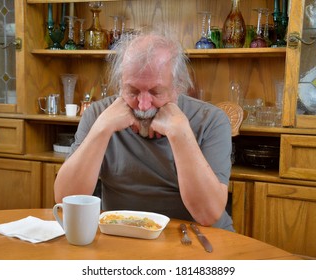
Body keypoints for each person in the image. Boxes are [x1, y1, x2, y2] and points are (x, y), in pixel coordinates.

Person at [54, 29, 234, 231]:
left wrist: (180, 133)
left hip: (196, 238)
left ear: (177, 87)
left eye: (156, 92)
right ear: (119, 85)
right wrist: (102, 129)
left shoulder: (211, 120)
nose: (143, 104)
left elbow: (208, 214)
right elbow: (64, 200)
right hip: (124, 237)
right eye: (132, 91)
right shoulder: (98, 115)